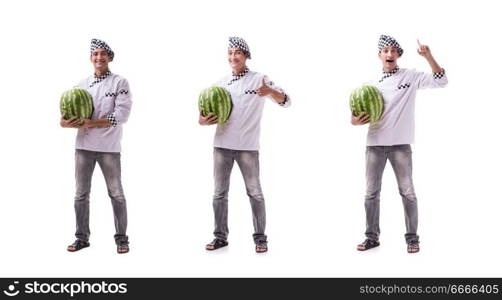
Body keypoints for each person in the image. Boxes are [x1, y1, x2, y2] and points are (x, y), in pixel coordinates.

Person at [352, 35, 447, 253]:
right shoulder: (371, 84)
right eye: (385, 50)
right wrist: (354, 120)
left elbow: (441, 80)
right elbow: (355, 116)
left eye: (393, 51)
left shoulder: (411, 76)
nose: (389, 54)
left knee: (408, 192)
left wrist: (428, 56)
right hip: (374, 145)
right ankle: (371, 237)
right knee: (370, 194)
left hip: (401, 146)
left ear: (398, 55)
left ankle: (412, 239)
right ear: (379, 55)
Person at [200, 37, 291, 253]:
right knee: (219, 194)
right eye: (230, 53)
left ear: (246, 56)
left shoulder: (260, 79)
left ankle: (261, 238)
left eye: (237, 53)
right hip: (222, 146)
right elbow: (203, 115)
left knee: (255, 193)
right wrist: (202, 120)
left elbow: (287, 101)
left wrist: (271, 92)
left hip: (248, 148)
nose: (233, 57)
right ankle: (220, 236)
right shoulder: (220, 84)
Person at [60, 38, 132, 254]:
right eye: (95, 54)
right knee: (81, 194)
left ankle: (122, 239)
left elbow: (122, 114)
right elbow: (66, 114)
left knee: (116, 193)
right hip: (83, 147)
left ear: (109, 57)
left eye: (103, 54)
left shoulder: (120, 83)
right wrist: (64, 122)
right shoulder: (81, 85)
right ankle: (82, 238)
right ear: (91, 58)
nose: (99, 57)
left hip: (109, 148)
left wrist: (90, 123)